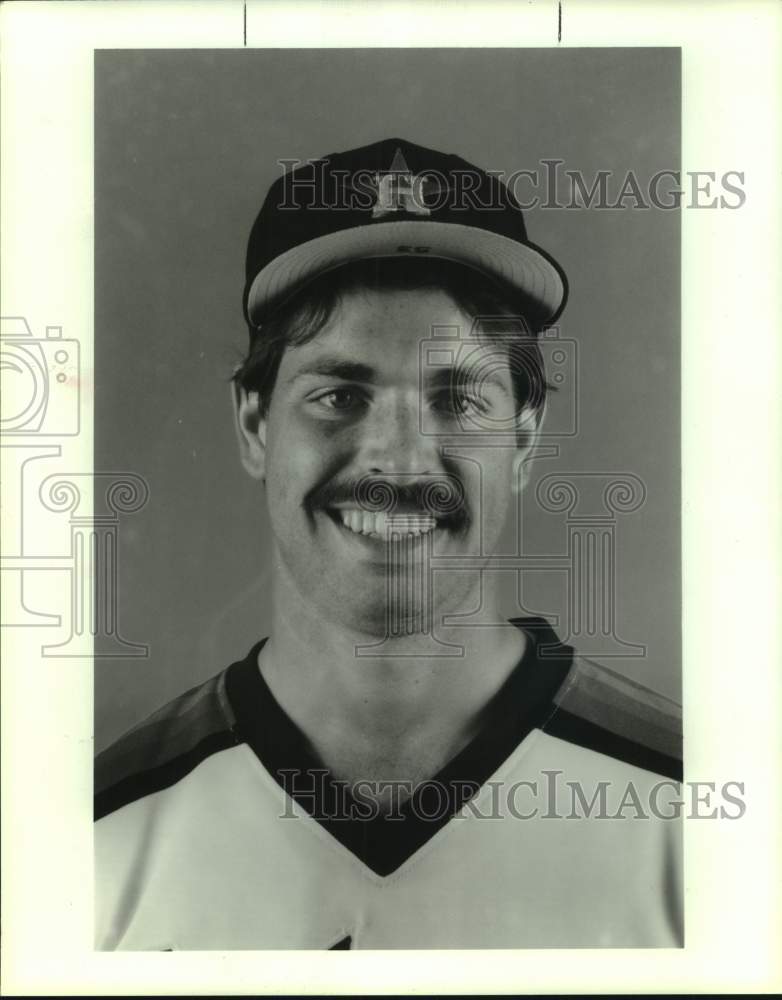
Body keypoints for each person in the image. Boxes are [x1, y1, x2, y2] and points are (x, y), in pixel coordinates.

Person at [95, 138, 682, 950]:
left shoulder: (693, 817)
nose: (400, 460)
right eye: (339, 394)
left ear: (526, 437)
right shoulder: (94, 839)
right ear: (255, 425)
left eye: (458, 399)